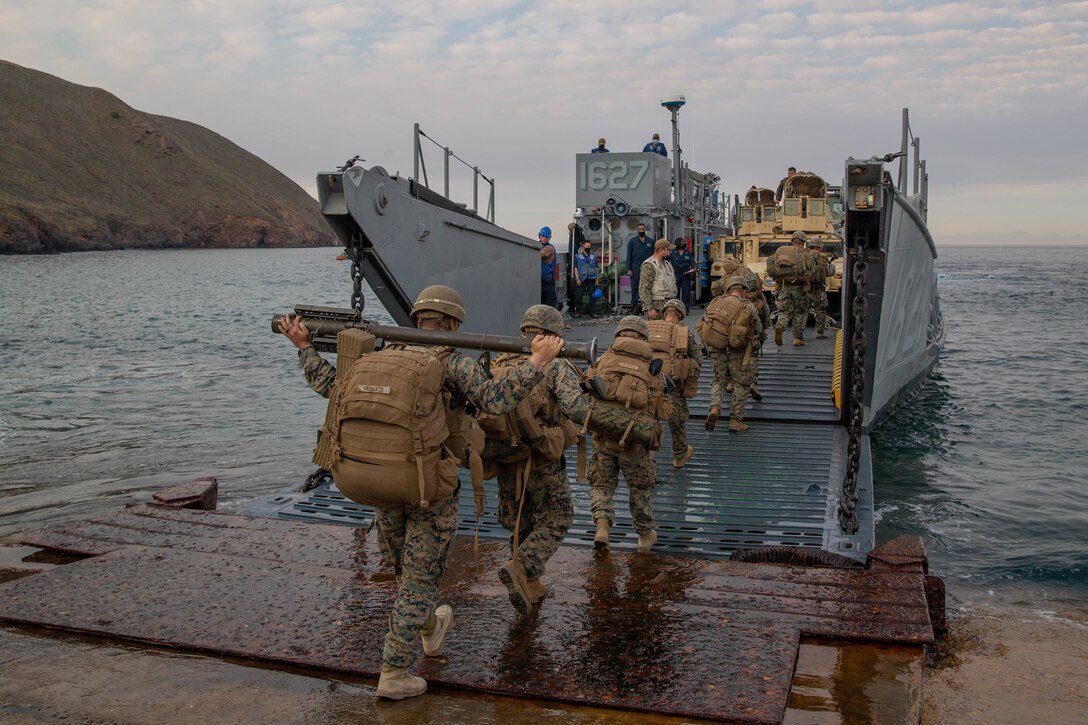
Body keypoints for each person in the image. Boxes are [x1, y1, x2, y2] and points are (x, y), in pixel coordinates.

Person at [278, 285, 565, 701]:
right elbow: (495, 400)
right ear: (452, 324)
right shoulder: (453, 362)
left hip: (379, 478)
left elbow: (329, 387)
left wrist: (304, 347)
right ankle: (394, 670)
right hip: (430, 486)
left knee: (403, 570)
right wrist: (537, 363)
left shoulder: (377, 357)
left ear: (417, 319)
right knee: (419, 577)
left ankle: (430, 624)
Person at [488, 305, 588, 613]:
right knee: (558, 518)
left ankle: (528, 582)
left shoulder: (500, 361)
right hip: (541, 459)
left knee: (519, 520)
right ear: (555, 335)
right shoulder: (555, 365)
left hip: (506, 456)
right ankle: (522, 568)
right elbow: (576, 408)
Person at [587, 315, 663, 552]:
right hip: (634, 441)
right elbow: (660, 407)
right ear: (642, 336)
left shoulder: (604, 358)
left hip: (603, 435)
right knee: (639, 489)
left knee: (602, 486)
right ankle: (644, 536)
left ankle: (602, 527)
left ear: (620, 334)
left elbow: (588, 387)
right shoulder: (653, 365)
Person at [701, 276, 762, 432]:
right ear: (743, 291)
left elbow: (705, 322)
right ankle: (735, 420)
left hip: (717, 348)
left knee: (718, 380)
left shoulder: (715, 302)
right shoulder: (747, 306)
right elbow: (759, 328)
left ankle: (715, 407)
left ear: (728, 290)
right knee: (741, 383)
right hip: (738, 351)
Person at [651, 298, 703, 468]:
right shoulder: (683, 332)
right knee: (677, 418)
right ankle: (680, 455)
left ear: (664, 313)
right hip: (671, 382)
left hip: (650, 380)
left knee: (649, 417)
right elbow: (698, 358)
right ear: (680, 316)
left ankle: (648, 457)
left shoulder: (649, 328)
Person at [768, 230, 815, 346]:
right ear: (803, 242)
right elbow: (810, 273)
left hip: (785, 287)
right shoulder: (804, 253)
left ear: (793, 241)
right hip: (799, 288)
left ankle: (780, 326)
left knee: (784, 311)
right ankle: (797, 338)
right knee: (799, 312)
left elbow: (775, 269)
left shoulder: (783, 252)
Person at [638, 238, 678, 319]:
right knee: (655, 331)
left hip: (668, 306)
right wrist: (650, 308)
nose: (670, 252)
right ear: (661, 250)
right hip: (656, 306)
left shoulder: (667, 264)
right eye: (668, 250)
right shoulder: (649, 265)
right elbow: (644, 289)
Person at [625, 222, 654, 312]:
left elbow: (654, 255)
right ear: (637, 230)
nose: (641, 231)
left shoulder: (651, 241)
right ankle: (635, 306)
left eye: (643, 229)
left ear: (646, 230)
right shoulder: (632, 241)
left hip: (647, 266)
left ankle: (645, 306)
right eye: (640, 229)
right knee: (635, 286)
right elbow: (628, 255)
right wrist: (629, 269)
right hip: (635, 266)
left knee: (647, 286)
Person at [809, 245, 833, 339]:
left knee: (801, 312)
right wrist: (832, 267)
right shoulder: (822, 258)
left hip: (805, 289)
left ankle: (798, 336)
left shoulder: (803, 256)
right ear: (820, 247)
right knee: (820, 310)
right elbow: (829, 272)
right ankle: (820, 333)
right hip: (818, 289)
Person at [572, 238, 599, 317]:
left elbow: (596, 268)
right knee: (579, 295)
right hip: (582, 278)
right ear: (583, 247)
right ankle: (578, 311)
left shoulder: (593, 257)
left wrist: (597, 279)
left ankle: (593, 312)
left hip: (591, 278)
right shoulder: (577, 257)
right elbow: (576, 268)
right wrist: (577, 279)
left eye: (589, 246)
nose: (589, 248)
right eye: (587, 246)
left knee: (592, 295)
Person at [671, 238, 695, 310]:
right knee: (676, 292)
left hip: (686, 274)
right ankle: (676, 308)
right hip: (676, 274)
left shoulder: (687, 253)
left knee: (686, 292)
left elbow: (692, 262)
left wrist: (694, 268)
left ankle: (685, 309)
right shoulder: (673, 252)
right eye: (682, 242)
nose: (684, 243)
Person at [539, 226, 559, 309]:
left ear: (549, 238)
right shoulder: (540, 246)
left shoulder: (549, 248)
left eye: (547, 237)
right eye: (543, 236)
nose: (544, 238)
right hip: (540, 280)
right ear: (539, 236)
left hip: (547, 280)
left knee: (549, 305)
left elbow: (540, 254)